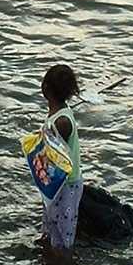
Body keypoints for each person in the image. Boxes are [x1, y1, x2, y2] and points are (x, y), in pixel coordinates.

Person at [38, 64, 84, 253]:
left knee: (64, 232)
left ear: (46, 88)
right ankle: (50, 254)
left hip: (66, 184)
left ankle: (63, 261)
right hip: (57, 182)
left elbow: (56, 155)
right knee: (51, 222)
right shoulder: (59, 113)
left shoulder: (61, 122)